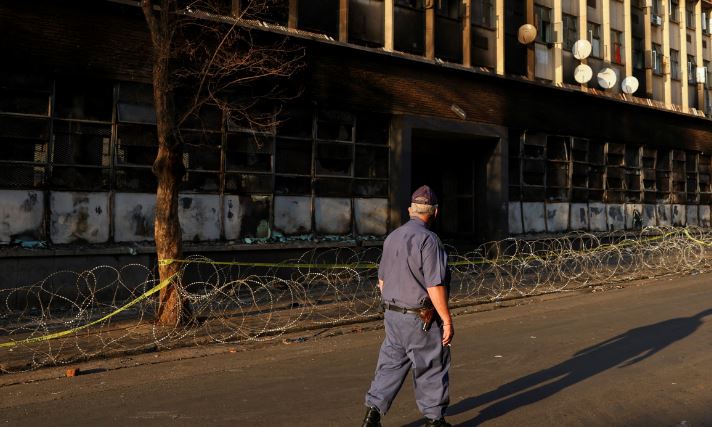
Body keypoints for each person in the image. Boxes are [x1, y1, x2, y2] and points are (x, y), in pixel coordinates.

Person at [361, 185, 453, 427]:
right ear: (435, 212)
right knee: (431, 366)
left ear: (411, 209)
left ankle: (372, 417)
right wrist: (447, 320)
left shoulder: (393, 237)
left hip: (392, 315)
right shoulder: (429, 240)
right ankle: (434, 421)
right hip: (419, 317)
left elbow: (381, 281)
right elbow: (435, 285)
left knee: (390, 365)